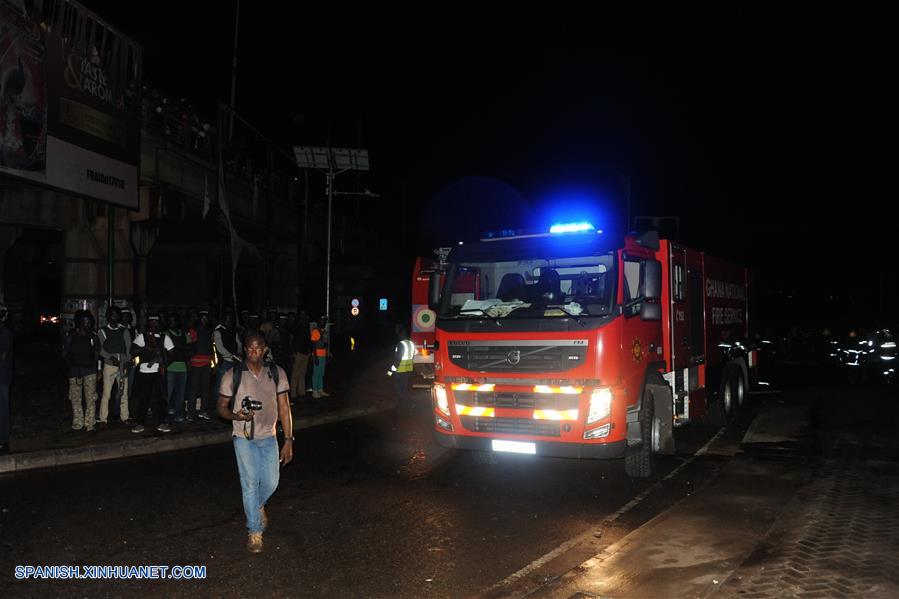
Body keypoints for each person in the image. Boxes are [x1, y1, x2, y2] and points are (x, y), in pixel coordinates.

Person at [217, 332, 293, 553]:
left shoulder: (277, 373)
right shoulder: (233, 375)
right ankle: (254, 531)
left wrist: (288, 439)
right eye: (249, 348)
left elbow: (285, 408)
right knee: (250, 484)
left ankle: (257, 506)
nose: (253, 352)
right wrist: (236, 416)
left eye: (258, 348)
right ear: (245, 350)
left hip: (268, 436)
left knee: (271, 482)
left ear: (265, 349)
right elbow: (221, 408)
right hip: (243, 437)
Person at [130, 313, 174, 433]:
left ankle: (161, 423)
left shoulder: (165, 338)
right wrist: (145, 348)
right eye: (151, 321)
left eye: (156, 321)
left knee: (161, 399)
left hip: (159, 373)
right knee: (143, 398)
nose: (154, 324)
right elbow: (132, 351)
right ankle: (139, 423)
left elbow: (172, 355)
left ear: (159, 323)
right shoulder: (142, 337)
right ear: (148, 323)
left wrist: (162, 363)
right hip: (144, 372)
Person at [62, 310, 100, 432]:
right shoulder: (71, 336)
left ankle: (90, 423)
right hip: (75, 372)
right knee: (75, 398)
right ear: (79, 322)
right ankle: (78, 422)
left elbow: (97, 355)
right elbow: (65, 353)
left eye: (90, 321)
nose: (88, 324)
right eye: (85, 321)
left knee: (91, 399)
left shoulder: (93, 337)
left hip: (90, 371)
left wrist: (97, 370)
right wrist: (70, 364)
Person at [97, 306, 132, 427]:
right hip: (109, 366)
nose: (115, 317)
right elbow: (100, 349)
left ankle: (125, 417)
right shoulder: (102, 331)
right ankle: (103, 419)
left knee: (123, 392)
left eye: (117, 315)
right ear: (107, 316)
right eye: (112, 315)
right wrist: (110, 358)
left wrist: (126, 362)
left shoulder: (124, 330)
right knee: (107, 393)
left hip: (122, 365)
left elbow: (128, 348)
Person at [188, 309, 214, 420]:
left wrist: (214, 363)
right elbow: (189, 345)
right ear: (199, 318)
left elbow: (212, 346)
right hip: (195, 363)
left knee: (205, 389)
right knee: (194, 389)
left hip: (207, 362)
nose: (204, 319)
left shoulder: (210, 331)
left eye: (206, 317)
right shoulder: (193, 330)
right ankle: (190, 413)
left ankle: (204, 411)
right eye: (202, 317)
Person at [165, 312, 191, 423]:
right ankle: (164, 416)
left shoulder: (184, 334)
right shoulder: (166, 334)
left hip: (182, 367)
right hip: (170, 368)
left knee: (181, 394)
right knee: (168, 394)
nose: (171, 322)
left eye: (173, 320)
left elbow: (190, 347)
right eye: (169, 320)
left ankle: (179, 415)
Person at [213, 310, 240, 404]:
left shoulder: (233, 330)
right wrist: (231, 356)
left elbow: (238, 343)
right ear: (223, 321)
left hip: (235, 361)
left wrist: (239, 353)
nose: (229, 322)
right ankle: (217, 405)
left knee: (234, 385)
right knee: (220, 385)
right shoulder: (217, 331)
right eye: (227, 320)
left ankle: (231, 405)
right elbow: (219, 347)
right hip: (224, 361)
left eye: (230, 320)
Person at [387, 327, 416, 411]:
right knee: (403, 388)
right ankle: (403, 404)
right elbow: (413, 355)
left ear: (401, 335)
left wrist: (390, 371)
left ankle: (409, 403)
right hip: (408, 369)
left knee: (398, 388)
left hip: (399, 370)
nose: (398, 336)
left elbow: (398, 358)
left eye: (399, 334)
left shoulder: (401, 344)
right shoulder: (411, 343)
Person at [0, 304, 13, 454]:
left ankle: (4, 442)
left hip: (2, 377)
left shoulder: (5, 334)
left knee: (2, 410)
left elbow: (3, 356)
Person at [289, 311, 310, 401]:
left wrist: (309, 351)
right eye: (301, 315)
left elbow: (308, 339)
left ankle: (301, 392)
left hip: (305, 352)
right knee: (295, 373)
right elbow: (292, 339)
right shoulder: (296, 325)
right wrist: (294, 351)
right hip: (298, 352)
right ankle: (293, 393)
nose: (303, 316)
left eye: (304, 315)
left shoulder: (306, 325)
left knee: (302, 373)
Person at [309, 320, 329, 398]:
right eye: (323, 320)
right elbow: (313, 345)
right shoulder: (316, 331)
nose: (324, 322)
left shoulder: (322, 331)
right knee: (316, 373)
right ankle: (314, 391)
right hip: (317, 354)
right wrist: (315, 357)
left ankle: (320, 389)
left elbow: (325, 343)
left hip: (322, 354)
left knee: (321, 373)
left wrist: (327, 353)